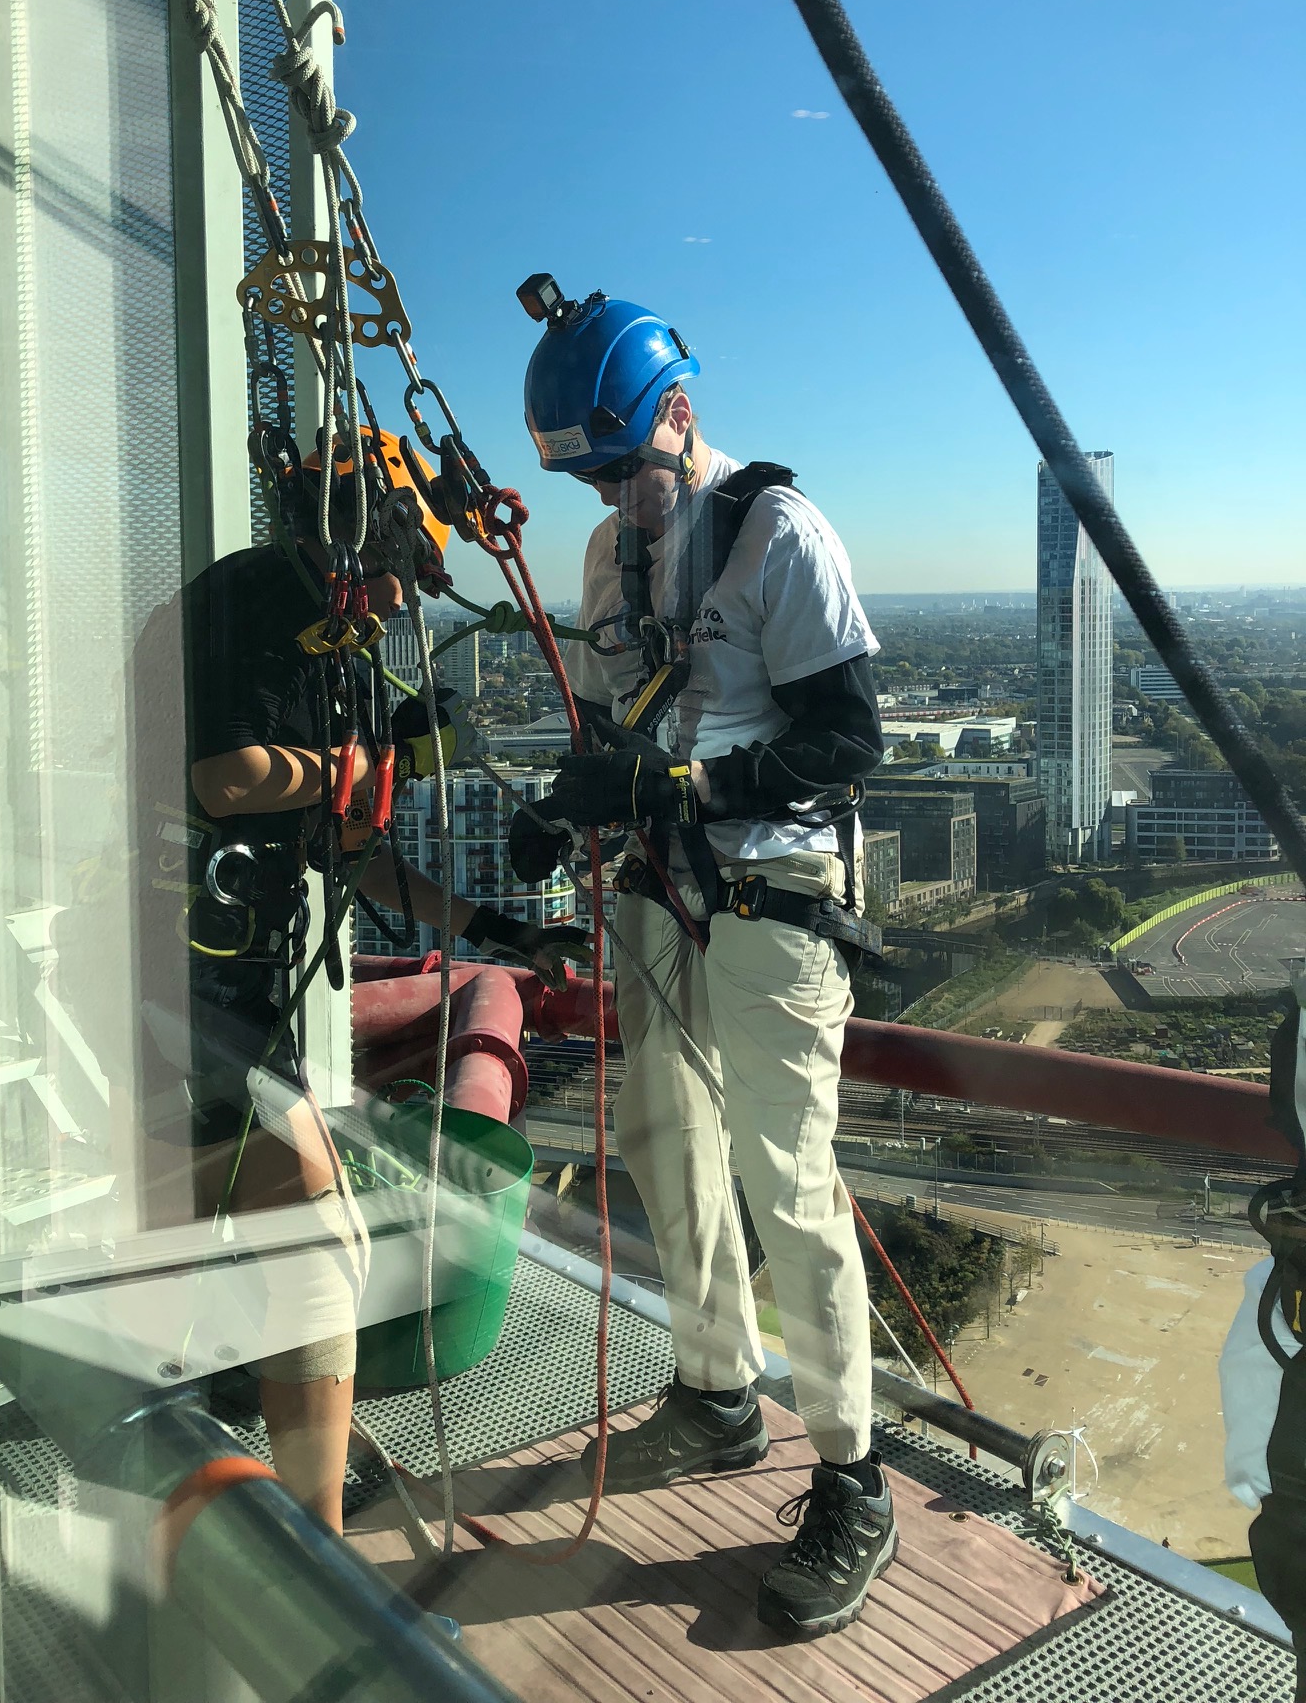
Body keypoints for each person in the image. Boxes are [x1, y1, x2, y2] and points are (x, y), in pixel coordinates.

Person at [509, 277, 894, 1638]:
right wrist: (561, 807)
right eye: (596, 478)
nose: (619, 497)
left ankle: (853, 1474)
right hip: (662, 893)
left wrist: (692, 794)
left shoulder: (775, 532)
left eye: (630, 464)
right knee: (668, 1141)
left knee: (786, 1179)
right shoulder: (613, 559)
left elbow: (850, 740)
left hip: (774, 889)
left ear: (679, 413)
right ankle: (718, 1392)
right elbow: (623, 731)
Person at [123, 429, 584, 1533]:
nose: (392, 605)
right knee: (314, 1241)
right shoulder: (250, 607)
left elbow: (350, 845)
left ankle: (243, 1457)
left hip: (231, 968)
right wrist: (370, 766)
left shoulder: (319, 642)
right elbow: (226, 778)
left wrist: (496, 933)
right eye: (391, 572)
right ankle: (312, 1545)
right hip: (188, 961)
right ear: (347, 535)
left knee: (241, 1220)